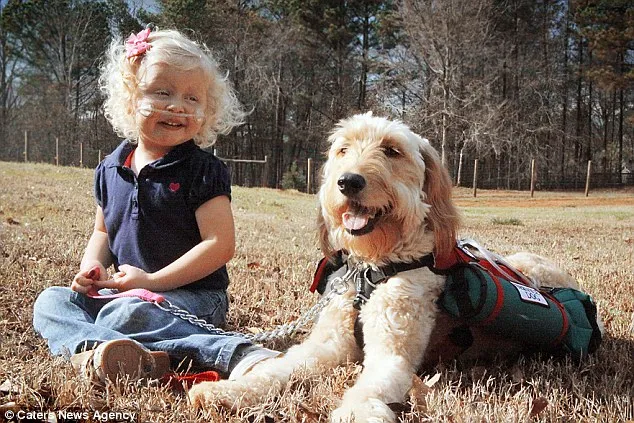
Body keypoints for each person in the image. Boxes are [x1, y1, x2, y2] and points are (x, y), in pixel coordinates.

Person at [33, 26, 278, 385]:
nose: (178, 105)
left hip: (194, 297)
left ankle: (237, 354)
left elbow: (220, 244)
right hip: (126, 293)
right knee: (52, 302)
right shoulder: (110, 168)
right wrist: (92, 270)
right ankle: (110, 356)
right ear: (131, 98)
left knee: (125, 314)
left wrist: (152, 281)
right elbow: (103, 231)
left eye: (192, 98)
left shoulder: (201, 170)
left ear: (206, 110)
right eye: (162, 92)